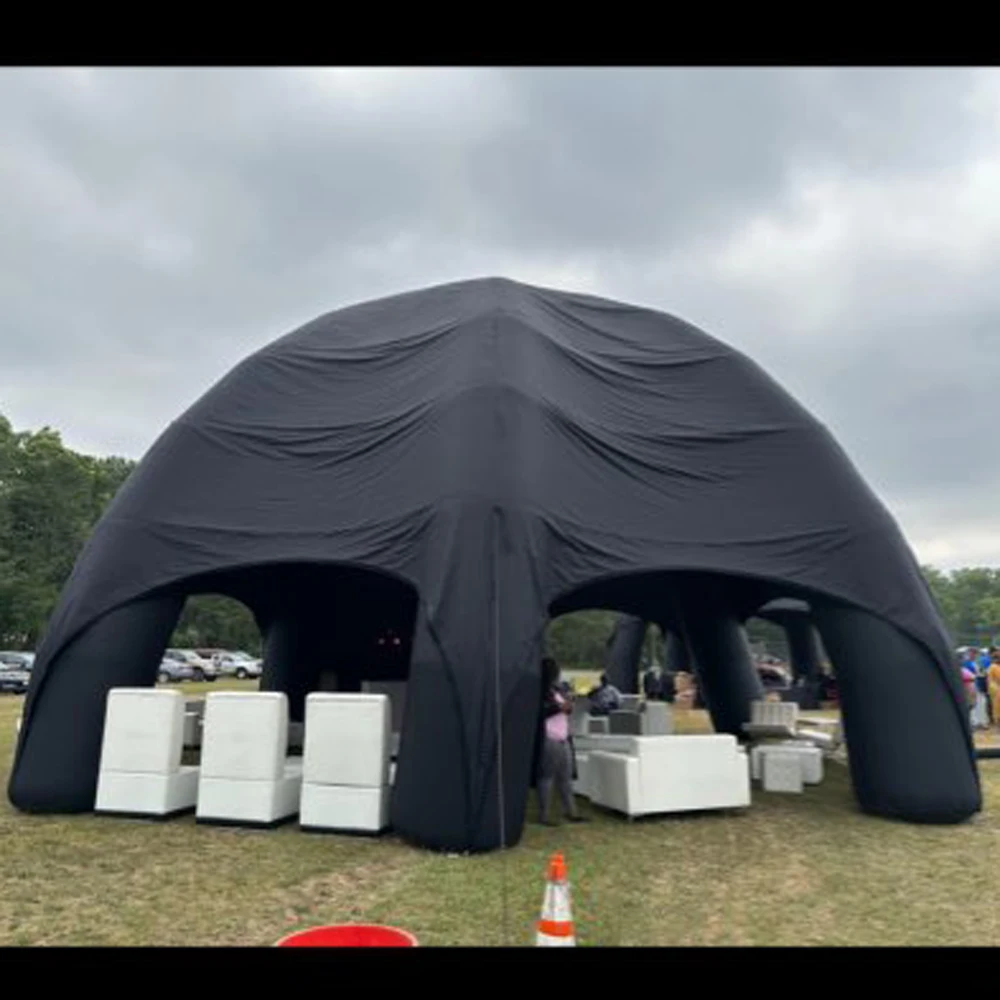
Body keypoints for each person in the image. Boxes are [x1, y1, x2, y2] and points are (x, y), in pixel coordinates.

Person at [537, 657, 587, 826]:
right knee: (547, 776)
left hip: (563, 737)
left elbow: (564, 710)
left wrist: (569, 705)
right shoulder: (540, 692)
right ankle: (543, 815)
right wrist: (560, 707)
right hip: (549, 737)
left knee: (565, 777)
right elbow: (540, 713)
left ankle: (571, 811)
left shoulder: (556, 691)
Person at [989, 651, 1000, 731]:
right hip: (996, 688)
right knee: (997, 707)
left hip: (993, 687)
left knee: (995, 707)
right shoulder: (995, 667)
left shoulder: (992, 666)